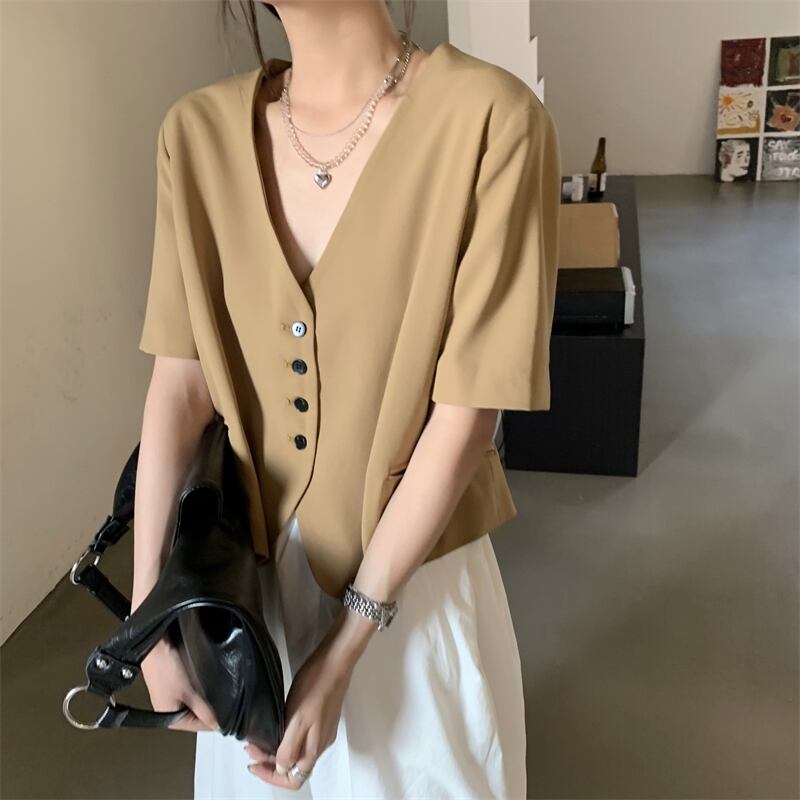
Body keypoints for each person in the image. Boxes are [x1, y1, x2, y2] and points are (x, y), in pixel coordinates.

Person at [132, 1, 562, 797]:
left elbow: (466, 414)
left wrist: (345, 648)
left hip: (415, 589)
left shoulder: (492, 122)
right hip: (246, 605)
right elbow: (180, 387)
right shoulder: (194, 135)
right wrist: (151, 621)